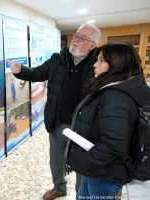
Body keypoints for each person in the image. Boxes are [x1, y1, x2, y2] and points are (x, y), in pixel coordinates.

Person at [9, 23, 101, 200]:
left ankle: (80, 194)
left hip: (84, 126)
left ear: (93, 45)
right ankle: (59, 188)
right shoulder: (57, 59)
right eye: (76, 35)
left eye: (83, 38)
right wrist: (21, 71)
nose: (76, 40)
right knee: (56, 160)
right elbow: (37, 73)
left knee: (82, 163)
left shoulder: (98, 64)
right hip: (58, 121)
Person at [66, 42, 150, 199]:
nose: (95, 65)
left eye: (101, 60)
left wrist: (84, 161)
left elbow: (112, 146)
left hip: (104, 172)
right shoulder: (112, 88)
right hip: (98, 168)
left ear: (117, 65)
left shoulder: (115, 97)